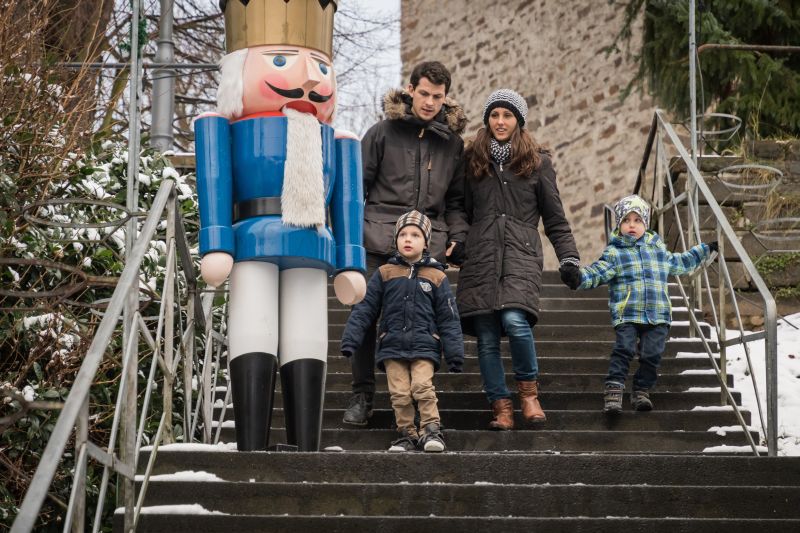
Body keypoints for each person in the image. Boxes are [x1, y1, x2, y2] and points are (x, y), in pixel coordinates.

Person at [194, 0, 366, 451]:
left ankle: (305, 440)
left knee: (306, 332)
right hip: (252, 231)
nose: (310, 78)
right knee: (255, 322)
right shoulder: (221, 126)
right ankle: (252, 440)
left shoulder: (340, 140)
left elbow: (348, 199)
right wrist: (216, 240)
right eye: (280, 61)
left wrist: (352, 260)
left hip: (312, 239)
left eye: (321, 66)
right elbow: (215, 179)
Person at [343, 60, 470, 426]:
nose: (430, 102)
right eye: (425, 93)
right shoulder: (382, 132)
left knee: (424, 321)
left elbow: (457, 201)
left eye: (438, 96)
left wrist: (459, 236)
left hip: (429, 242)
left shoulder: (453, 144)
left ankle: (420, 398)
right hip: (378, 237)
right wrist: (349, 239)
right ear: (411, 90)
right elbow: (357, 187)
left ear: (446, 98)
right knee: (364, 316)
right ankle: (362, 395)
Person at [456, 89, 580, 431]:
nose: (500, 121)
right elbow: (459, 210)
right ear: (487, 120)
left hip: (521, 256)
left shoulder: (538, 163)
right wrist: (458, 240)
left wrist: (568, 257)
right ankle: (501, 407)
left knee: (515, 321)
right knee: (486, 336)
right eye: (494, 115)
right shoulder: (472, 161)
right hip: (480, 257)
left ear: (519, 121)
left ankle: (528, 394)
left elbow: (555, 218)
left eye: (507, 115)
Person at [561, 194, 717, 414]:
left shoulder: (659, 250)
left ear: (645, 224)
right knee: (624, 349)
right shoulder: (614, 253)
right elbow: (597, 272)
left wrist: (705, 250)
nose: (631, 225)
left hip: (658, 314)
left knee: (652, 354)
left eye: (637, 220)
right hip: (628, 314)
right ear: (619, 225)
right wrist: (578, 277)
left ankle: (641, 390)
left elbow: (681, 262)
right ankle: (614, 389)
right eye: (626, 220)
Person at [341, 211, 464, 452]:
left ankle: (431, 430)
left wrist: (454, 354)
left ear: (426, 242)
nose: (408, 239)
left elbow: (449, 318)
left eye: (415, 235)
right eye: (403, 234)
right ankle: (406, 434)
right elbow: (365, 308)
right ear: (396, 239)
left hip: (424, 346)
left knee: (422, 388)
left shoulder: (437, 276)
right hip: (392, 346)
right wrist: (351, 339)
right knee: (399, 393)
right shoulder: (384, 273)